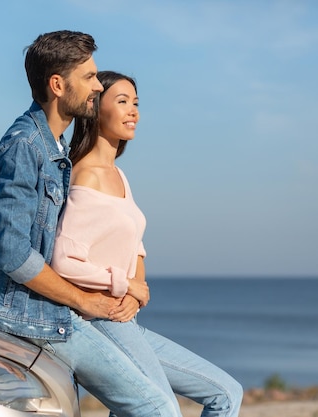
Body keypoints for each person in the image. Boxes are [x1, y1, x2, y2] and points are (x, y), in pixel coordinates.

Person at [0, 30, 184, 416]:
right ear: (57, 85)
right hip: (28, 315)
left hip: (50, 310)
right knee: (157, 407)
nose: (95, 89)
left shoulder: (54, 148)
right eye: (88, 78)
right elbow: (12, 253)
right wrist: (88, 301)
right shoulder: (25, 146)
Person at [51, 70, 244, 416]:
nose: (133, 112)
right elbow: (64, 260)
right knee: (163, 410)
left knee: (227, 393)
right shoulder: (87, 175)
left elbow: (135, 244)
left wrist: (136, 290)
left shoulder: (118, 174)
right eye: (122, 102)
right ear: (94, 108)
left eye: (136, 103)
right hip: (100, 322)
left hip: (127, 320)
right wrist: (126, 285)